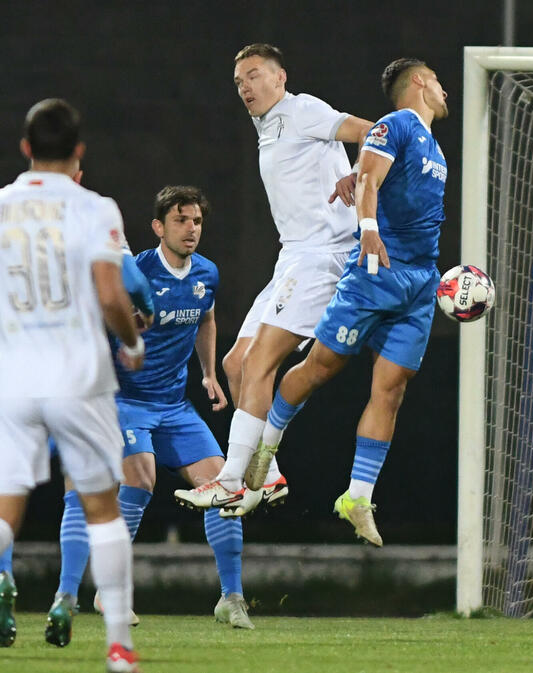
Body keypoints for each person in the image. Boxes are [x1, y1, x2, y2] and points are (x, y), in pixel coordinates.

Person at [230, 57, 449, 545]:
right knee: (320, 367)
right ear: (419, 81)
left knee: (391, 388)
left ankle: (358, 496)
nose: (444, 90)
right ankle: (266, 448)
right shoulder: (397, 124)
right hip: (375, 269)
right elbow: (368, 180)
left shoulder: (434, 148)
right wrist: (368, 228)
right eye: (437, 81)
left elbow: (380, 181)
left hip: (419, 282)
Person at [44, 186, 255, 649]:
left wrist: (208, 373)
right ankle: (107, 589)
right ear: (159, 227)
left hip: (174, 405)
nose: (191, 229)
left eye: (196, 221)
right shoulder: (136, 271)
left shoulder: (207, 273)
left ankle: (231, 597)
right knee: (141, 477)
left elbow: (206, 320)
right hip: (126, 401)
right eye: (181, 220)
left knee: (223, 483)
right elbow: (100, 318)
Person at [175, 43, 373, 515]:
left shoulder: (302, 110)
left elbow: (374, 131)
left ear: (281, 77)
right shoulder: (266, 124)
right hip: (293, 258)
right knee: (236, 364)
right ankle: (269, 476)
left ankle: (230, 481)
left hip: (322, 258)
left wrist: (357, 172)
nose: (245, 87)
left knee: (259, 361)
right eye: (238, 81)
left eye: (254, 75)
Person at [0, 98, 143, 672]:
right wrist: (132, 343)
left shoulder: (2, 205)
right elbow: (110, 293)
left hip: (15, 376)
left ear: (25, 148)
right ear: (79, 151)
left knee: (6, 509)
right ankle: (119, 645)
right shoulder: (95, 207)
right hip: (78, 375)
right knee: (102, 509)